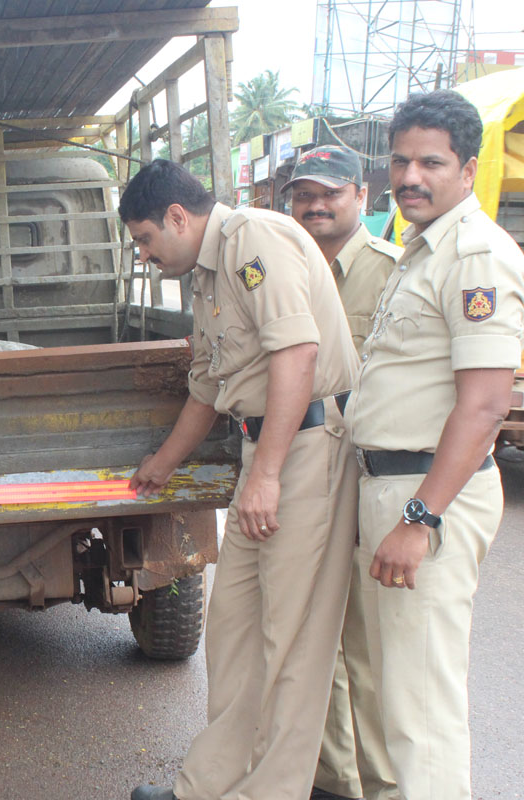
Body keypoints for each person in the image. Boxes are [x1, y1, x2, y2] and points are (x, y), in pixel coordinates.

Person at [123, 159, 360, 800]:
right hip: (268, 449)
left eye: (145, 239)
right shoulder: (204, 274)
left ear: (178, 216)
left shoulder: (255, 239)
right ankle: (207, 785)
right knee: (233, 627)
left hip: (308, 449)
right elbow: (208, 380)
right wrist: (163, 463)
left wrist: (269, 476)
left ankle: (272, 791)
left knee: (292, 637)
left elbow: (297, 354)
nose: (145, 255)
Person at [346, 90, 524, 800]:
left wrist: (419, 520)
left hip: (426, 496)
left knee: (421, 707)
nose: (410, 175)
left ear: (467, 168)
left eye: (431, 162)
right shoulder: (422, 249)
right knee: (389, 696)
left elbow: (483, 407)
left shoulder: (476, 253)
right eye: (399, 160)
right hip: (392, 486)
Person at [286, 145, 400, 800]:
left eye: (330, 193)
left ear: (362, 195)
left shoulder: (391, 273)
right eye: (304, 195)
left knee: (369, 648)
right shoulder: (285, 269)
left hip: (372, 476)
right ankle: (332, 781)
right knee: (314, 637)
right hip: (307, 473)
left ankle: (384, 786)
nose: (316, 206)